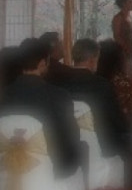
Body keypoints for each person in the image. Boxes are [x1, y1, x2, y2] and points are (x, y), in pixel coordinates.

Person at [0, 38, 83, 180]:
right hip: (51, 170)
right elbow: (72, 140)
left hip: (5, 169)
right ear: (43, 63)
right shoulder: (59, 96)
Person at [53, 38, 132, 170]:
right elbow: (118, 122)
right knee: (131, 139)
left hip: (69, 146)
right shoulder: (102, 86)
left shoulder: (59, 84)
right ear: (92, 60)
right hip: (103, 145)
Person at [97, 39, 132, 156]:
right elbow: (130, 109)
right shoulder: (122, 82)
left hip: (96, 127)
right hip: (115, 130)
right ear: (118, 60)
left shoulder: (94, 78)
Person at [112, 0, 132, 78]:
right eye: (130, 2)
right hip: (122, 52)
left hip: (131, 52)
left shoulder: (130, 17)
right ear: (123, 3)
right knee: (123, 76)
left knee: (130, 75)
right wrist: (127, 49)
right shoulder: (118, 18)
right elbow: (116, 36)